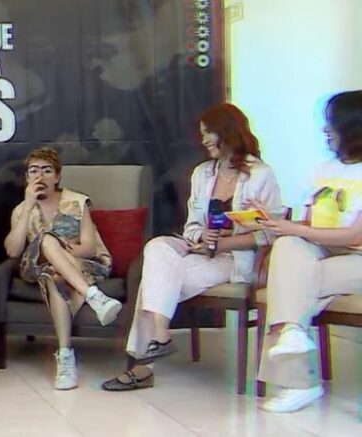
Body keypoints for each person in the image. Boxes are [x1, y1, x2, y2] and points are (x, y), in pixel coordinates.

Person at [102, 103, 282, 391]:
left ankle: (143, 366)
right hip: (202, 252)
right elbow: (192, 226)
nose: (204, 140)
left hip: (234, 260)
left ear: (227, 131)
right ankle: (160, 336)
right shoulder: (202, 173)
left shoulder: (261, 174)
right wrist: (202, 237)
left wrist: (223, 243)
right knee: (158, 247)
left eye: (208, 133)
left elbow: (271, 234)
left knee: (154, 280)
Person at [257, 91, 362, 413]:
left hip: (357, 259)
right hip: (322, 252)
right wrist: (273, 222)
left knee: (289, 282)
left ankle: (297, 381)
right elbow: (307, 223)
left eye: (331, 123)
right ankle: (293, 337)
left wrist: (296, 230)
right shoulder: (323, 169)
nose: (325, 130)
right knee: (288, 246)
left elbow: (356, 235)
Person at [4, 147, 122, 390]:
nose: (40, 176)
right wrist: (28, 206)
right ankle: (93, 295)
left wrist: (62, 257)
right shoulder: (21, 210)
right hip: (36, 265)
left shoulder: (77, 201)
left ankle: (65, 355)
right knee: (47, 240)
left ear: (57, 176)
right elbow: (13, 251)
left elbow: (88, 247)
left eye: (47, 170)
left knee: (54, 276)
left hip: (85, 264)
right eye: (33, 171)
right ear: (26, 177)